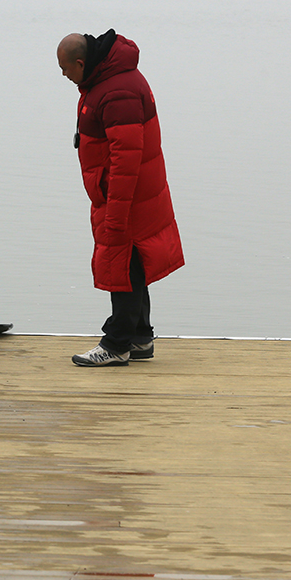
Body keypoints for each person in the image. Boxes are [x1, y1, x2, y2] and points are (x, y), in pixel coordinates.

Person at [56, 29, 184, 366]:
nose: (63, 75)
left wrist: (115, 214)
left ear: (81, 63)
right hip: (133, 194)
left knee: (122, 264)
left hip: (127, 197)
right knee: (135, 264)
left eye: (65, 68)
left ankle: (116, 345)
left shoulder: (117, 92)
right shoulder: (108, 80)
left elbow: (125, 163)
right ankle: (140, 338)